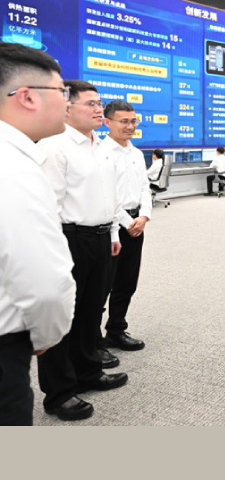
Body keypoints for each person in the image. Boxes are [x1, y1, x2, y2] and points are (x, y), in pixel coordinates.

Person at [38, 80, 129, 421]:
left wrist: (114, 231)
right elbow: (49, 204)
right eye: (90, 103)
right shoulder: (55, 147)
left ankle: (88, 372)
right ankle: (59, 393)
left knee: (91, 310)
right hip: (69, 238)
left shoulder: (102, 146)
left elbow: (111, 195)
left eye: (99, 103)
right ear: (67, 108)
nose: (97, 109)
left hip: (102, 237)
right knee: (64, 315)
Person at [0, 43, 76, 426]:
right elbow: (42, 281)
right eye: (62, 91)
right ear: (27, 97)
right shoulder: (13, 168)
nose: (68, 102)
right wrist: (48, 335)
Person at [100, 100, 151, 353]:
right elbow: (105, 193)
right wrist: (128, 222)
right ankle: (92, 341)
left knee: (127, 282)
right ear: (107, 122)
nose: (130, 126)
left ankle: (116, 330)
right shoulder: (100, 152)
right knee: (101, 286)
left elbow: (145, 188)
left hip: (136, 225)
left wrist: (144, 217)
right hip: (110, 227)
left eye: (133, 121)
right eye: (124, 121)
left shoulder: (137, 153)